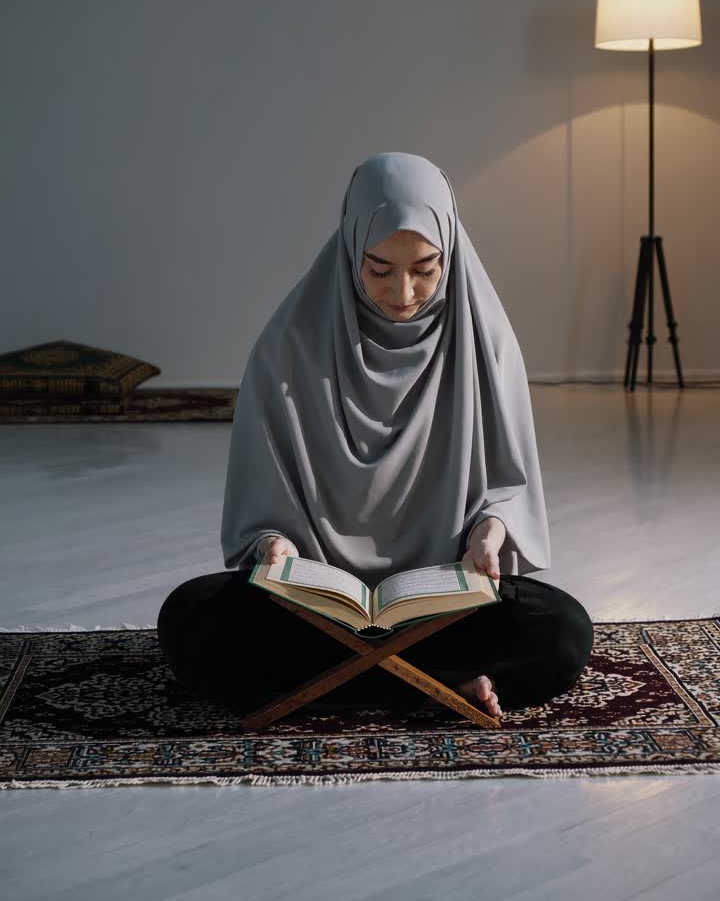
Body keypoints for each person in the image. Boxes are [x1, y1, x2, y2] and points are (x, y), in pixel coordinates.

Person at [157, 152, 594, 718]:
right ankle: (432, 689)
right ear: (349, 250)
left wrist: (490, 534)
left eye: (426, 268)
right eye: (379, 268)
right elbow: (262, 504)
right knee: (188, 619)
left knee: (563, 631)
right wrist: (274, 545)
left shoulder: (486, 345)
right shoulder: (287, 348)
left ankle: (338, 689)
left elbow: (508, 487)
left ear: (452, 255)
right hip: (314, 609)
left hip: (441, 605)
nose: (404, 292)